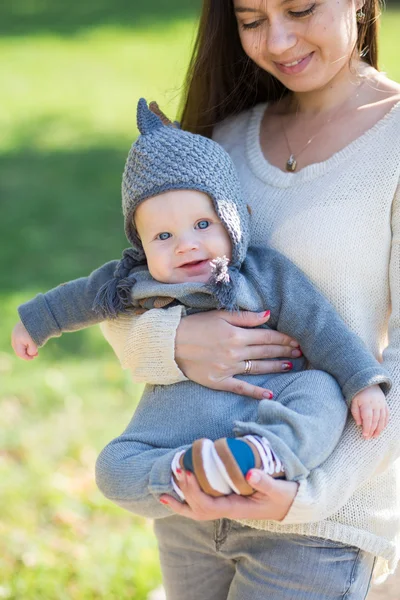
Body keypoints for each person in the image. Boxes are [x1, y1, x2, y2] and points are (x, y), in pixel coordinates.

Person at [14, 0, 400, 596]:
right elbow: (129, 295)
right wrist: (176, 344)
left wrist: (305, 497)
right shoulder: (220, 143)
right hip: (187, 508)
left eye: (300, 9)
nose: (277, 41)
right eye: (250, 20)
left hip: (320, 521)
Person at [11, 98, 391, 511]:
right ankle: (182, 471)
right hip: (176, 421)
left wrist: (361, 381)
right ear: (140, 245)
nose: (185, 244)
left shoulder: (266, 274)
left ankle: (263, 456)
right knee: (111, 466)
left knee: (322, 392)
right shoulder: (133, 279)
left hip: (266, 402)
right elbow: (79, 297)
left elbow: (320, 326)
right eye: (162, 237)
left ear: (235, 221)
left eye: (203, 225)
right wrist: (35, 323)